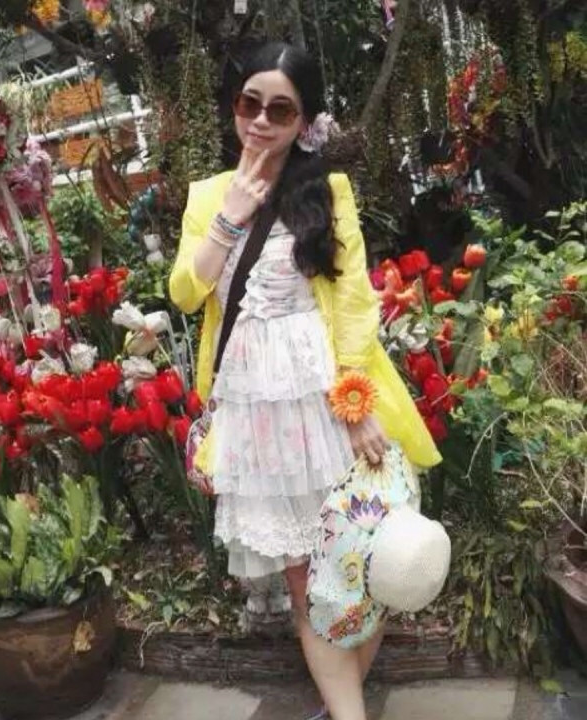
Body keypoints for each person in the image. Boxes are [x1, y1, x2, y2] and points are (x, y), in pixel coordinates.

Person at [169, 42, 442, 720]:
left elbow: (353, 304)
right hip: (258, 415)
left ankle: (340, 703)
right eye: (249, 103)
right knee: (310, 584)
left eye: (281, 110)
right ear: (234, 106)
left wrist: (355, 402)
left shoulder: (328, 191)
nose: (261, 121)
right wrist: (230, 215)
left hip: (328, 404)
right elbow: (184, 294)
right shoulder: (207, 195)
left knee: (368, 566)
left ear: (304, 120)